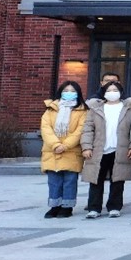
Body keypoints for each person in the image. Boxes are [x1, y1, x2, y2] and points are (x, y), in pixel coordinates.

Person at [80, 80, 131, 219]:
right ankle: (94, 208)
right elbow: (88, 128)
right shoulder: (95, 108)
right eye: (109, 90)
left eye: (115, 90)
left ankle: (114, 207)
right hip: (99, 149)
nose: (112, 93)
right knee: (96, 180)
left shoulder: (128, 108)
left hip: (120, 149)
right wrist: (86, 147)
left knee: (118, 180)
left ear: (121, 92)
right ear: (103, 93)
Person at [41, 80, 88, 218]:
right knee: (54, 181)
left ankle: (67, 207)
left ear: (78, 94)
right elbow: (46, 128)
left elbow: (80, 130)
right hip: (52, 150)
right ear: (60, 92)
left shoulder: (82, 111)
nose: (69, 93)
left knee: (69, 181)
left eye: (72, 91)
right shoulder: (51, 109)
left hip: (71, 151)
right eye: (66, 91)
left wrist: (65, 145)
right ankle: (54, 206)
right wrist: (55, 145)